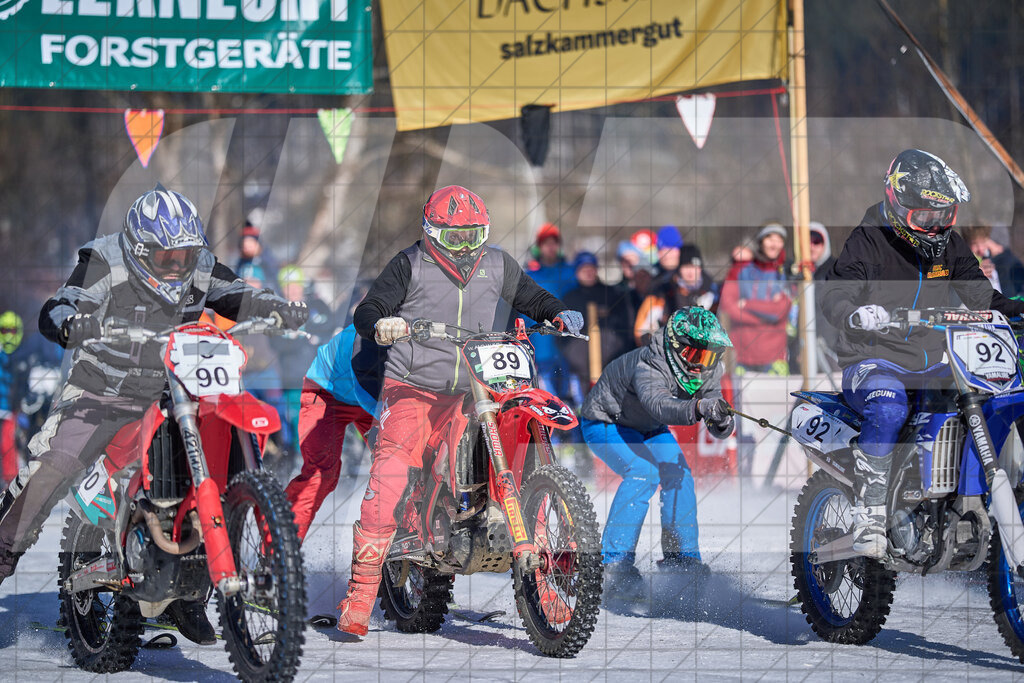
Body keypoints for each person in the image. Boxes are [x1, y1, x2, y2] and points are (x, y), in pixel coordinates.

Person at [0, 186, 307, 644]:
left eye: (185, 255)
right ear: (140, 251)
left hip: (171, 390)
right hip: (101, 390)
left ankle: (189, 593)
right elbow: (62, 302)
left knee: (211, 463)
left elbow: (236, 293)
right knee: (51, 469)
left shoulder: (198, 265)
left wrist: (277, 307)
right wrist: (71, 322)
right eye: (167, 257)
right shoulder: (105, 261)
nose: (179, 265)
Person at [338, 185, 581, 636]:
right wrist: (382, 323)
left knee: (520, 453)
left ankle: (546, 578)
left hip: (478, 389)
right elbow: (368, 309)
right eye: (456, 239)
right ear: (432, 234)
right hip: (414, 388)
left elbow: (534, 297)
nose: (467, 247)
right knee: (391, 475)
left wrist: (559, 312)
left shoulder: (498, 265)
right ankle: (361, 591)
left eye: (474, 236)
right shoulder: (409, 265)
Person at [820, 149, 1024, 558]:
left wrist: (1015, 310)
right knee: (889, 407)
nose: (935, 228)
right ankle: (870, 515)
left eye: (944, 217)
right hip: (873, 359)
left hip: (933, 359)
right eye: (925, 218)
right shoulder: (869, 238)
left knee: (994, 399)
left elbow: (979, 291)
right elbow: (837, 291)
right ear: (897, 204)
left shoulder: (949, 245)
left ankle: (961, 499)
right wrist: (856, 313)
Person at [579, 307, 734, 596]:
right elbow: (659, 405)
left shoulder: (710, 369)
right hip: (606, 422)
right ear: (677, 346)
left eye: (710, 356)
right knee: (643, 473)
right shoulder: (650, 363)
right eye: (697, 355)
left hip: (649, 428)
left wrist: (722, 420)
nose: (702, 365)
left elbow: (715, 416)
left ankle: (682, 558)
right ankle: (614, 563)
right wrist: (700, 407)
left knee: (679, 473)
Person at [285, 324, 385, 541]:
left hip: (372, 392)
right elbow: (365, 387)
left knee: (405, 465)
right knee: (321, 475)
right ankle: (280, 551)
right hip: (327, 391)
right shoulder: (367, 339)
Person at [719, 223, 793, 375]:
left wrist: (746, 304)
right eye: (770, 238)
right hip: (742, 356)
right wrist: (762, 318)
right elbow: (728, 305)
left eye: (779, 239)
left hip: (774, 357)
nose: (774, 244)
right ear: (761, 242)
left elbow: (778, 312)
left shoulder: (786, 273)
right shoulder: (742, 271)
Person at [557, 251, 634, 395]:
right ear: (577, 272)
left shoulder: (612, 295)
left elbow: (625, 326)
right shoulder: (569, 298)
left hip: (611, 364)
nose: (588, 273)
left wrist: (615, 350)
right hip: (581, 369)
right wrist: (577, 359)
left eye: (591, 269)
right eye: (583, 269)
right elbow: (561, 335)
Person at [524, 222, 577, 402]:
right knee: (547, 400)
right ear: (539, 247)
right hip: (541, 348)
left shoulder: (570, 273)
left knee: (572, 399)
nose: (551, 247)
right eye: (546, 243)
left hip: (568, 349)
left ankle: (574, 430)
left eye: (554, 243)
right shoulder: (531, 276)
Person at [634, 244, 720, 346]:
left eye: (695, 267)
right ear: (679, 269)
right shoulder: (662, 293)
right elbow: (641, 331)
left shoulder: (713, 295)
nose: (691, 272)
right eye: (686, 267)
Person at [962, 224, 1024, 298]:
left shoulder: (1009, 264)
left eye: (984, 242)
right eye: (974, 243)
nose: (981, 249)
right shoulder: (963, 263)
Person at [0, 312, 24, 486]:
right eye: (4, 329)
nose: (8, 333)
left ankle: (11, 483)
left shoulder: (25, 352)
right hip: (6, 406)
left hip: (13, 409)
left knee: (8, 445)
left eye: (12, 330)